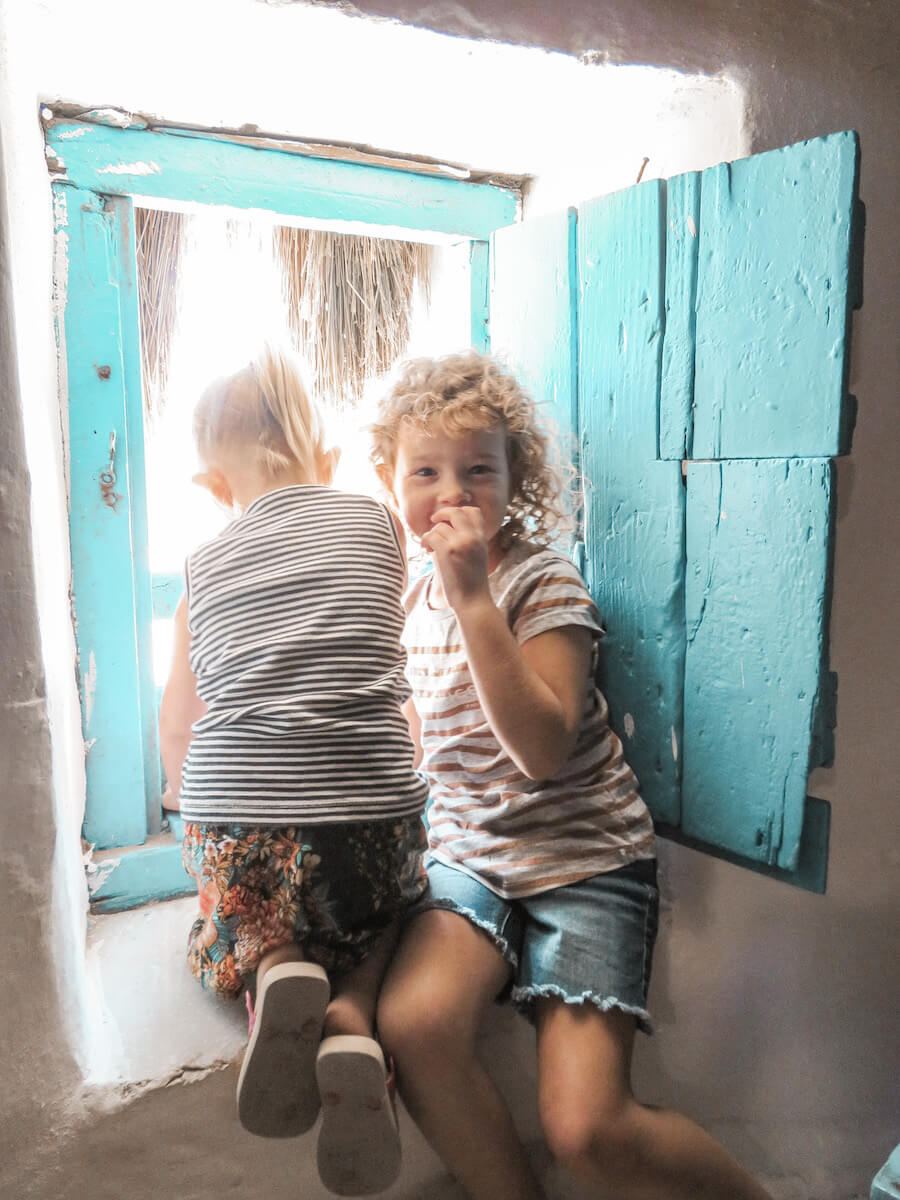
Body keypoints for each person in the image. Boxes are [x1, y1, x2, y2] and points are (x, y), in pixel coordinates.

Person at [370, 350, 773, 1200]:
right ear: (389, 478)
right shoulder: (405, 593)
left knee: (588, 1129)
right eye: (426, 472)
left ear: (516, 477)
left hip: (585, 857)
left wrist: (476, 598)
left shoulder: (538, 580)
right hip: (472, 857)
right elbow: (414, 742)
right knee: (414, 1024)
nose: (453, 493)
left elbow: (543, 751)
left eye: (479, 469)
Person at [158, 345, 428, 1195]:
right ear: (328, 460)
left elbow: (181, 723)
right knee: (403, 903)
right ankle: (353, 1013)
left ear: (212, 487)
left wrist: (187, 813)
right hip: (366, 838)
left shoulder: (199, 571)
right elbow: (388, 691)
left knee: (239, 901)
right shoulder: (377, 523)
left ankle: (275, 967)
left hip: (241, 827)